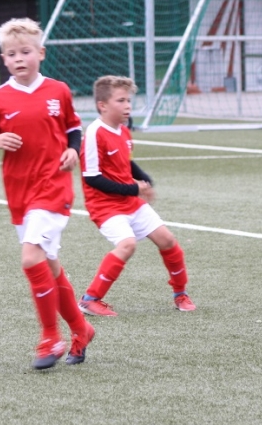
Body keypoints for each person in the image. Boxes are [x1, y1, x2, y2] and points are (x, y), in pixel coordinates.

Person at [0, 17, 95, 370]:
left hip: (53, 187)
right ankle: (82, 329)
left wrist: (72, 149)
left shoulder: (58, 90)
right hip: (19, 192)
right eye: (12, 54)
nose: (19, 59)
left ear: (41, 53)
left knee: (30, 258)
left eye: (25, 52)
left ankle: (50, 337)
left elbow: (73, 128)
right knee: (49, 266)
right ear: (4, 59)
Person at [77, 75, 196, 316]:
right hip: (104, 206)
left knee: (168, 241)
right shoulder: (94, 133)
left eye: (129, 100)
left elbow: (127, 163)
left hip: (130, 202)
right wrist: (134, 189)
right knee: (127, 244)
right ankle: (90, 300)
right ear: (103, 105)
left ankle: (180, 294)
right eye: (121, 100)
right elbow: (92, 178)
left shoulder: (123, 131)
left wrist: (145, 179)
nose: (128, 106)